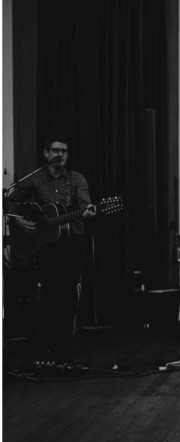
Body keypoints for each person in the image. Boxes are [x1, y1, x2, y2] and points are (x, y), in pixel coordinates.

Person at [5, 137, 96, 364]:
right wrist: (19, 222)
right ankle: (47, 350)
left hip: (72, 244)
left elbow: (85, 204)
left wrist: (88, 211)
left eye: (64, 151)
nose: (60, 155)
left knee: (67, 298)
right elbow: (8, 202)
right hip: (46, 247)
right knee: (48, 297)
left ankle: (63, 352)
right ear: (46, 153)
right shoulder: (34, 179)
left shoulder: (76, 179)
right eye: (55, 150)